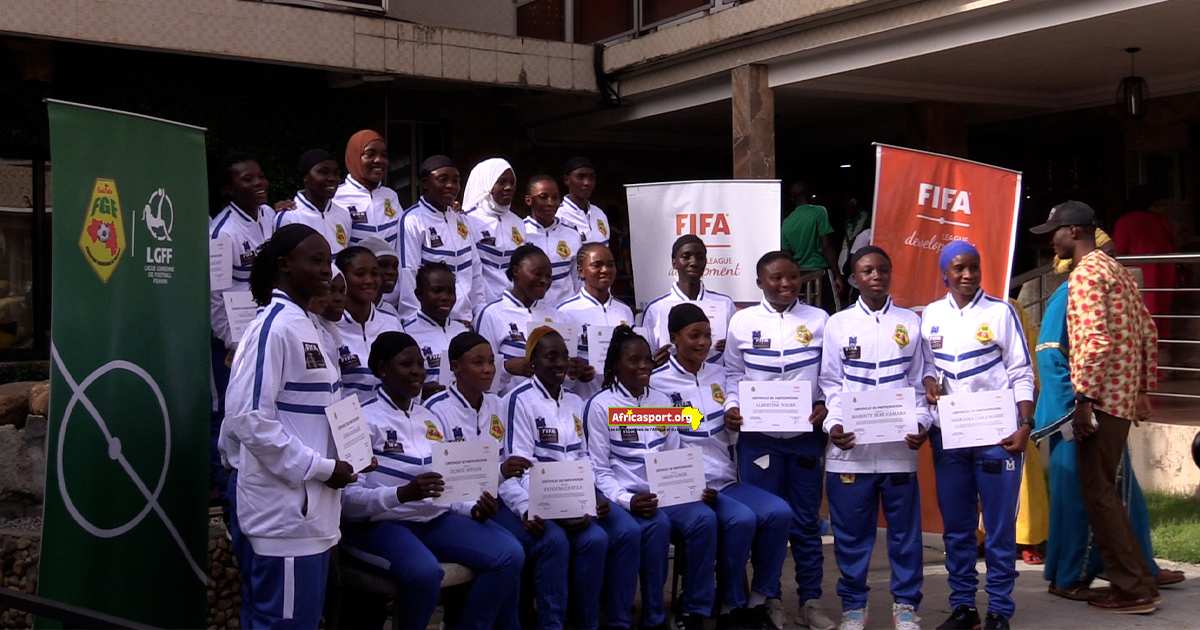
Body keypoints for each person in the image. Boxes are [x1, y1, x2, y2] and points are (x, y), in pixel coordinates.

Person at [223, 224, 358, 630]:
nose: (326, 270)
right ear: (284, 266)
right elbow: (248, 417)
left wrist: (351, 455)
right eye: (315, 260)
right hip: (285, 518)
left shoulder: (313, 326)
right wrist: (321, 468)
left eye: (329, 261)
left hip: (313, 517)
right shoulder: (273, 328)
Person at [340, 332, 524, 630]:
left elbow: (447, 486)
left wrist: (472, 509)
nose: (418, 371)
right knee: (425, 573)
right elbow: (347, 501)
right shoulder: (361, 419)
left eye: (421, 364)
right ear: (383, 368)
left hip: (434, 520)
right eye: (407, 364)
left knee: (510, 553)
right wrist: (401, 494)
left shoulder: (429, 418)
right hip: (381, 525)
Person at [1029, 200, 1161, 614]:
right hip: (1120, 401)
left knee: (1099, 498)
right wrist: (1141, 388)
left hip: (1100, 403)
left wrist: (1082, 401)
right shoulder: (1115, 270)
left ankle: (1134, 590)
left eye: (1055, 231)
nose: (1051, 240)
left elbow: (1094, 341)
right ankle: (1138, 581)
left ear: (1075, 232)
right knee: (1107, 497)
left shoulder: (1086, 275)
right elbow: (1148, 330)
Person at [651, 304, 794, 630]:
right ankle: (725, 604)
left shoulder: (722, 375)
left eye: (707, 336)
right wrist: (687, 486)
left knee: (779, 512)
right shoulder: (657, 385)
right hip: (686, 487)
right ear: (674, 338)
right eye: (693, 336)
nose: (702, 343)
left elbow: (738, 417)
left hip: (726, 481)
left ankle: (756, 602)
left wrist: (737, 419)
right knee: (741, 520)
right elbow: (660, 444)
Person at [918, 241, 1035, 630]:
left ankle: (999, 609)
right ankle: (964, 607)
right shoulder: (931, 315)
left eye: (973, 267)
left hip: (996, 435)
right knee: (957, 526)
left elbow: (1021, 372)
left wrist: (1024, 426)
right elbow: (927, 368)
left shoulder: (1000, 312)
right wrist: (929, 382)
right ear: (944, 274)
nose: (967, 275)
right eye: (958, 269)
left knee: (1000, 527)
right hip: (948, 436)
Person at [722, 252, 836, 630]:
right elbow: (731, 373)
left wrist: (823, 404)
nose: (785, 284)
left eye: (792, 277)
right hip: (759, 439)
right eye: (775, 278)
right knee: (765, 520)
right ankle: (769, 598)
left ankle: (811, 600)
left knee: (805, 521)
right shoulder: (742, 321)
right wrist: (734, 406)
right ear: (759, 283)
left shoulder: (819, 320)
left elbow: (831, 375)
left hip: (805, 437)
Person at [820, 246, 931, 630]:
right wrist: (832, 426)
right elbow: (831, 383)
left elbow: (919, 383)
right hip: (851, 452)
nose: (877, 276)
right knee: (851, 536)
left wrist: (922, 422)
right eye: (867, 271)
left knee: (904, 535)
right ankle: (854, 606)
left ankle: (905, 606)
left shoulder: (911, 323)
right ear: (854, 277)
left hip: (898, 451)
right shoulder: (838, 324)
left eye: (883, 270)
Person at [585, 326, 718, 630]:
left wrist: (696, 487)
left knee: (704, 519)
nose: (644, 366)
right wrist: (628, 500)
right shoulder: (601, 405)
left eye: (647, 359)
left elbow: (674, 452)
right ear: (615, 365)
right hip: (624, 497)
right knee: (653, 528)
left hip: (664, 495)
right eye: (634, 360)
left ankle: (693, 609)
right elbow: (599, 469)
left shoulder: (662, 400)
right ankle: (638, 617)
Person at [499, 327, 612, 630]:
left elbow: (584, 456)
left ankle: (586, 623)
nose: (561, 364)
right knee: (556, 541)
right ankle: (551, 624)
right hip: (537, 501)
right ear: (532, 362)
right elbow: (518, 466)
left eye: (564, 356)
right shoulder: (518, 400)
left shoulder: (575, 402)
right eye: (551, 357)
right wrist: (554, 509)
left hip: (574, 500)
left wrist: (589, 499)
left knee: (597, 539)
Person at [209, 152, 276, 506]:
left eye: (260, 176)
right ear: (228, 189)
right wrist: (234, 343)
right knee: (227, 414)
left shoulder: (269, 217)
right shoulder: (221, 233)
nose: (259, 184)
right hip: (234, 344)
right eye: (247, 180)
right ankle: (227, 490)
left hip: (267, 335)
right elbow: (216, 297)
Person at [475, 244, 580, 395]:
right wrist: (506, 368)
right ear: (516, 271)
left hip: (550, 410)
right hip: (508, 410)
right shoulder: (491, 314)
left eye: (549, 276)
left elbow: (566, 381)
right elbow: (480, 379)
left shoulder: (557, 316)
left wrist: (574, 372)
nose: (544, 281)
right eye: (538, 274)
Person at [397, 155, 486, 326]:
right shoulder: (412, 220)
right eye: (442, 179)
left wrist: (478, 315)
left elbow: (475, 272)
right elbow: (408, 275)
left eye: (456, 180)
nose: (451, 186)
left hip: (466, 323)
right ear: (425, 183)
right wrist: (415, 323)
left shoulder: (462, 221)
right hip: (430, 324)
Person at [640, 235, 737, 365]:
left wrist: (730, 349)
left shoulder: (725, 304)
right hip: (669, 381)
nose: (694, 262)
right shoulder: (655, 308)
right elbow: (646, 355)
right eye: (686, 257)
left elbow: (736, 357)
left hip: (715, 381)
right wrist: (654, 362)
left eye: (700, 257)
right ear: (674, 263)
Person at [558, 243, 636, 401]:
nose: (605, 270)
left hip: (622, 406)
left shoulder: (624, 311)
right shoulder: (565, 312)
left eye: (610, 264)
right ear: (581, 271)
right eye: (597, 265)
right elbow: (559, 368)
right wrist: (575, 373)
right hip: (584, 402)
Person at [334, 246, 402, 403]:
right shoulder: (330, 327)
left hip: (389, 422)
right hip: (347, 423)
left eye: (374, 273)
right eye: (360, 274)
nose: (369, 280)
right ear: (342, 278)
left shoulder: (391, 322)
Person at [1114, 185, 1177, 339]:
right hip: (1163, 274)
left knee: (1139, 318)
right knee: (1158, 315)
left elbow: (1117, 252)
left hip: (1138, 277)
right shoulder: (1162, 220)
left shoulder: (1125, 222)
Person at [404, 263, 469, 400]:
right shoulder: (406, 333)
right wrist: (420, 392)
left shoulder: (463, 332)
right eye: (437, 290)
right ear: (419, 294)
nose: (445, 297)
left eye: (450, 291)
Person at [465, 158, 524, 303]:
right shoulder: (468, 220)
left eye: (512, 182)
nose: (509, 187)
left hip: (513, 305)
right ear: (486, 184)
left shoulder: (518, 223)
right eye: (502, 182)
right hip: (481, 305)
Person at [275, 149, 354, 254]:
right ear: (305, 177)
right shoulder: (290, 217)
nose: (332, 178)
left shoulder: (343, 214)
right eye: (323, 172)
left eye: (335, 173)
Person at [334, 129, 403, 248]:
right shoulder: (336, 197)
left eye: (384, 155)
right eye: (370, 154)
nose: (379, 160)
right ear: (355, 157)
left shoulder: (391, 196)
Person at [524, 174, 583, 307]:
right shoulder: (520, 233)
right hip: (532, 312)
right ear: (529, 200)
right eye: (543, 197)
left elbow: (578, 279)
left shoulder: (572, 235)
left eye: (555, 197)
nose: (550, 203)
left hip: (567, 313)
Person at [780, 182, 843, 303]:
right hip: (820, 273)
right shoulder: (819, 212)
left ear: (792, 199)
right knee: (828, 313)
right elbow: (827, 246)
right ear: (809, 196)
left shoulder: (787, 222)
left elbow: (787, 255)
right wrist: (838, 275)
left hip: (800, 275)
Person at [558, 157, 611, 246]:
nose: (587, 183)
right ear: (567, 180)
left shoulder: (599, 214)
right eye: (580, 177)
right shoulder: (560, 217)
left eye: (592, 177)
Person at [358, 235, 403, 319]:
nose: (391, 272)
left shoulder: (391, 313)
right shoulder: (342, 315)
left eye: (395, 266)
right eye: (383, 265)